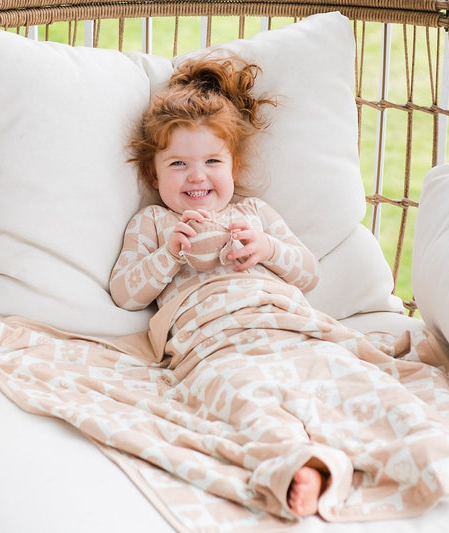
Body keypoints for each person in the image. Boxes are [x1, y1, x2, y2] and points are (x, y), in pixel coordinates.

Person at [109, 54, 328, 517]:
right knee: (245, 396)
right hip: (212, 341)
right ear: (153, 173)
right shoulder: (153, 222)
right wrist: (168, 254)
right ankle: (300, 464)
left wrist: (267, 248)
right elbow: (124, 293)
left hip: (281, 323)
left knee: (329, 380)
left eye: (212, 160)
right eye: (177, 164)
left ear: (234, 166)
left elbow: (309, 273)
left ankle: (396, 444)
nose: (196, 175)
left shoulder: (254, 215)